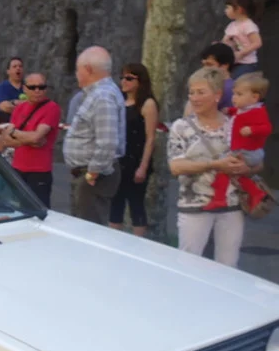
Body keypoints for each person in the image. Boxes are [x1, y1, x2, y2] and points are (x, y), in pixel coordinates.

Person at [168, 67, 252, 267]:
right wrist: (215, 164)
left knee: (228, 265)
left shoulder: (235, 125)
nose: (194, 98)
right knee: (188, 264)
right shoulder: (181, 127)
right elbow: (176, 167)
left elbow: (257, 163)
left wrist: (245, 167)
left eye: (200, 92)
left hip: (231, 205)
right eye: (191, 93)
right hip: (194, 205)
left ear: (217, 95)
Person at [63, 46, 126, 224]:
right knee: (84, 227)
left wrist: (92, 174)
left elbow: (107, 142)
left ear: (88, 69)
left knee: (90, 229)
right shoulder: (99, 94)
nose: (76, 75)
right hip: (90, 176)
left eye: (78, 70)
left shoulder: (103, 96)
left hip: (94, 178)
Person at [204, 72, 270, 213]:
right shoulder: (244, 109)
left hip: (248, 151)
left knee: (224, 168)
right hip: (242, 149)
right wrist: (230, 110)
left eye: (239, 94)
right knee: (234, 174)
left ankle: (219, 198)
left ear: (255, 97)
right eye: (234, 94)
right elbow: (239, 114)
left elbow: (267, 128)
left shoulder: (257, 112)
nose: (234, 97)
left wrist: (252, 130)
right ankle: (255, 193)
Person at [0, 72, 60, 208]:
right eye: (32, 87)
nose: (37, 90)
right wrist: (29, 139)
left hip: (39, 171)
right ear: (24, 89)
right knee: (18, 210)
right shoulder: (19, 108)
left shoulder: (52, 108)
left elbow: (36, 137)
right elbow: (7, 140)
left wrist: (14, 133)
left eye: (41, 87)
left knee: (39, 210)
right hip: (18, 168)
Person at [110, 63, 159, 236]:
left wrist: (143, 166)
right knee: (116, 203)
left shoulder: (147, 104)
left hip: (136, 159)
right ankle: (114, 241)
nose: (124, 81)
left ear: (140, 81)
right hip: (119, 159)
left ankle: (139, 242)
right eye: (122, 78)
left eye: (129, 78)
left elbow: (150, 137)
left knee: (136, 203)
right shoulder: (119, 101)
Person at [222, 0, 263, 79]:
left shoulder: (248, 25)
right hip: (233, 63)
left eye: (228, 8)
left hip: (247, 64)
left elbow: (257, 43)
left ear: (239, 9)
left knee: (238, 83)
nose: (225, 11)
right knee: (227, 81)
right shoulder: (231, 25)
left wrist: (241, 53)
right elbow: (225, 41)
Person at [199, 43, 236, 110]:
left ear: (224, 65)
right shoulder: (235, 87)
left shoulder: (228, 88)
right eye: (204, 64)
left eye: (209, 64)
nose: (204, 68)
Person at [0, 57, 24, 122]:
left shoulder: (29, 86)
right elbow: (4, 107)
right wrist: (24, 107)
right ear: (8, 71)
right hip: (8, 121)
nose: (18, 68)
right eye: (14, 66)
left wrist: (14, 103)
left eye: (20, 66)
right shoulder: (3, 86)